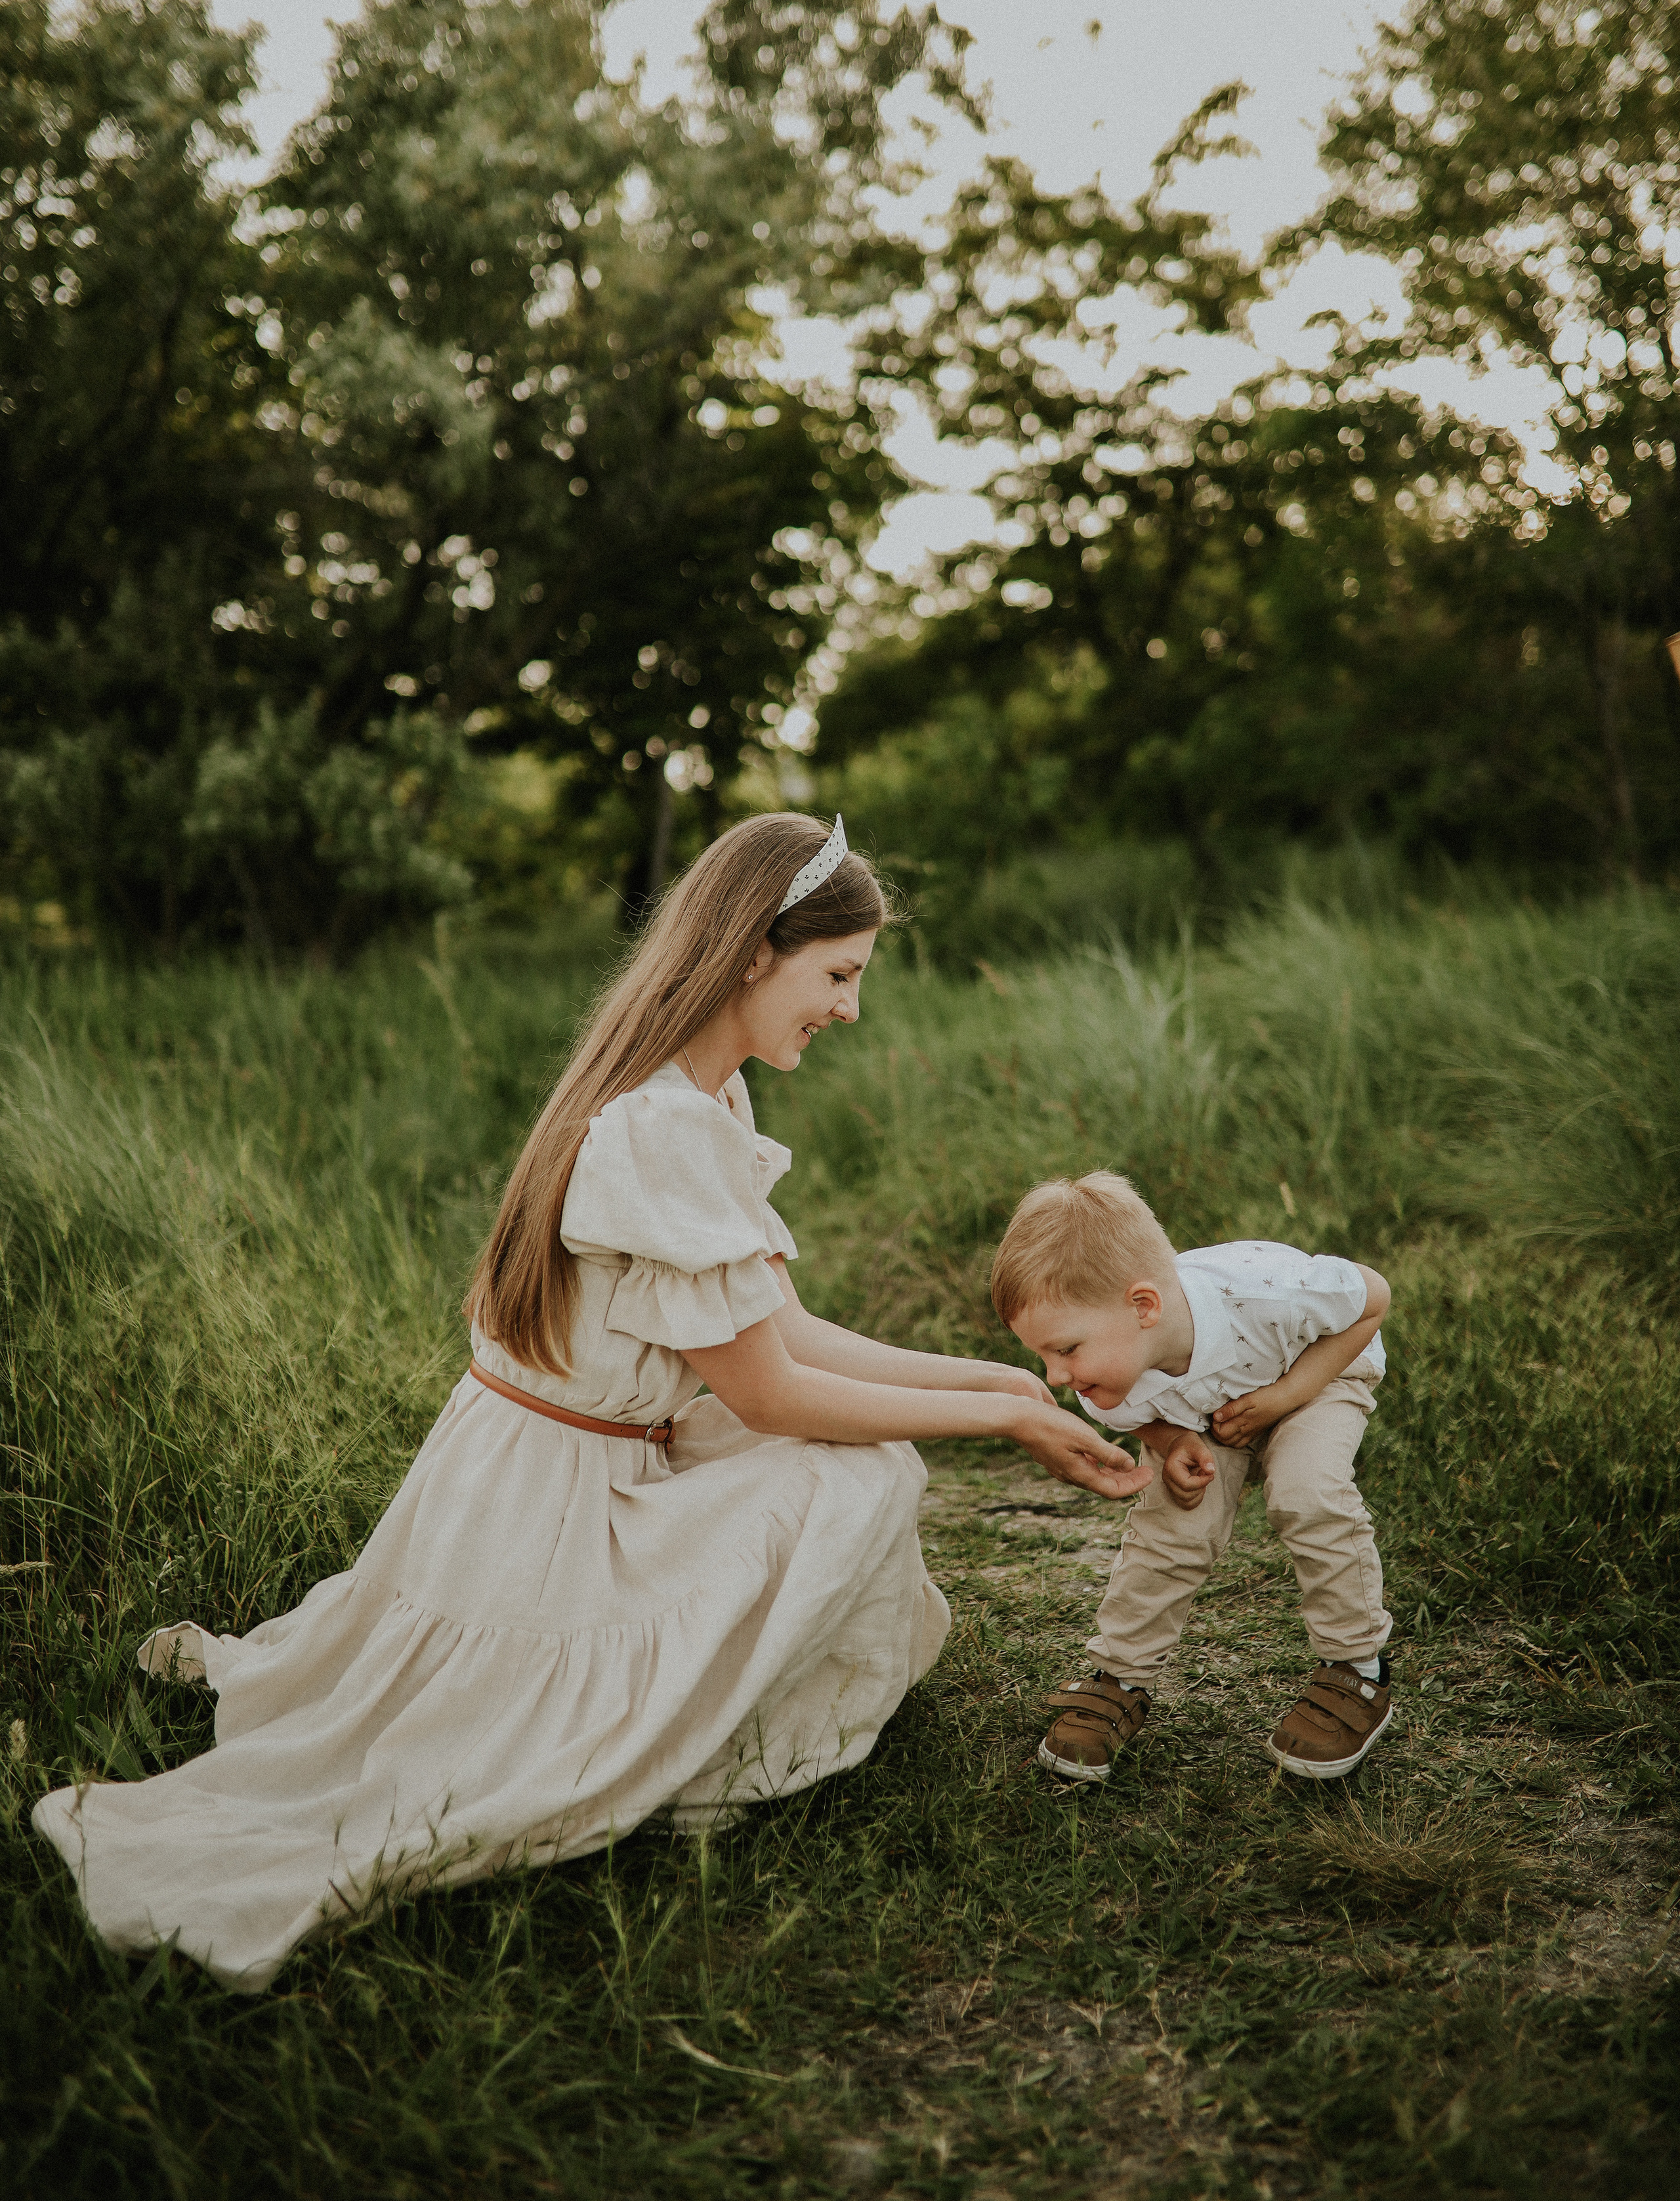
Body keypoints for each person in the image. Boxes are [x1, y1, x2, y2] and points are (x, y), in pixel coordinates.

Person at [35, 815, 1146, 1992]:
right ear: (754, 951)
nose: (851, 1009)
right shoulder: (661, 1126)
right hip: (549, 1505)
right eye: (840, 974)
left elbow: (786, 1331)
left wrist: (998, 1379)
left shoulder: (698, 1099)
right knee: (861, 1474)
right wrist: (1009, 1420)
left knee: (872, 1460)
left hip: (565, 1462)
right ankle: (672, 1748)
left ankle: (693, 1712)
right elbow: (770, 1392)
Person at [992, 1169, 1394, 1784]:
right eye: (1041, 1357)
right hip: (1209, 1414)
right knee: (1173, 1517)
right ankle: (1120, 1675)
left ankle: (1357, 1670)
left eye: (1066, 1350)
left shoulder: (1270, 1294)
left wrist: (1288, 1395)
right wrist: (1171, 1439)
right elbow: (1133, 1416)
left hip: (1315, 1375)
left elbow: (1373, 1299)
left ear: (1144, 1307)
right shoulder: (1109, 1376)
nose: (1055, 1377)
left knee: (1306, 1493)